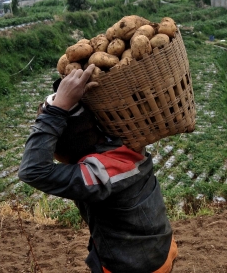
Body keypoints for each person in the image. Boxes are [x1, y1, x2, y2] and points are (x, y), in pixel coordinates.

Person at [18, 64, 178, 273]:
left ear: (62, 149)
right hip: (162, 248)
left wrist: (57, 111)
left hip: (133, 267)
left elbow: (32, 171)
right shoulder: (128, 142)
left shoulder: (98, 175)